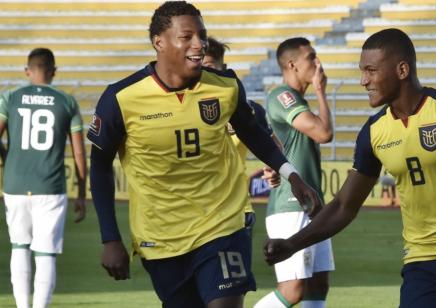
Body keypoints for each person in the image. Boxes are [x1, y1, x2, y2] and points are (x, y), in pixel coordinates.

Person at [264, 28, 436, 308]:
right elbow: (345, 205)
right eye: (362, 71)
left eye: (371, 70)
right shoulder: (374, 132)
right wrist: (292, 244)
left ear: (402, 70)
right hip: (423, 266)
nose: (363, 80)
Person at [87, 2, 320, 308]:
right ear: (159, 42)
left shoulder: (225, 87)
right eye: (187, 37)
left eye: (202, 35)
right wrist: (110, 238)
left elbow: (253, 132)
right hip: (161, 238)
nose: (199, 44)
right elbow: (100, 165)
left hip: (222, 225)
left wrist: (292, 175)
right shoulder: (120, 98)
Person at [0, 47, 87, 308]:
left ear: (27, 71)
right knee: (46, 252)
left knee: (19, 246)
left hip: (15, 185)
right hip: (50, 187)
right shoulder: (67, 102)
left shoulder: (10, 98)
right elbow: (80, 153)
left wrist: (7, 156)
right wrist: (82, 194)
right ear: (54, 72)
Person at [255, 37, 334, 308]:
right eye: (311, 57)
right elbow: (324, 133)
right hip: (291, 205)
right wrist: (321, 91)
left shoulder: (299, 100)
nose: (317, 63)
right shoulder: (282, 95)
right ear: (292, 64)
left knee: (318, 286)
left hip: (312, 207)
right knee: (293, 289)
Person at [202, 36, 282, 233]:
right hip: (193, 209)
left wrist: (273, 168)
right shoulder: (180, 108)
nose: (205, 72)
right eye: (201, 66)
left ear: (224, 67)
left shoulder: (250, 111)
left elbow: (272, 145)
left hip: (235, 210)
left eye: (210, 66)